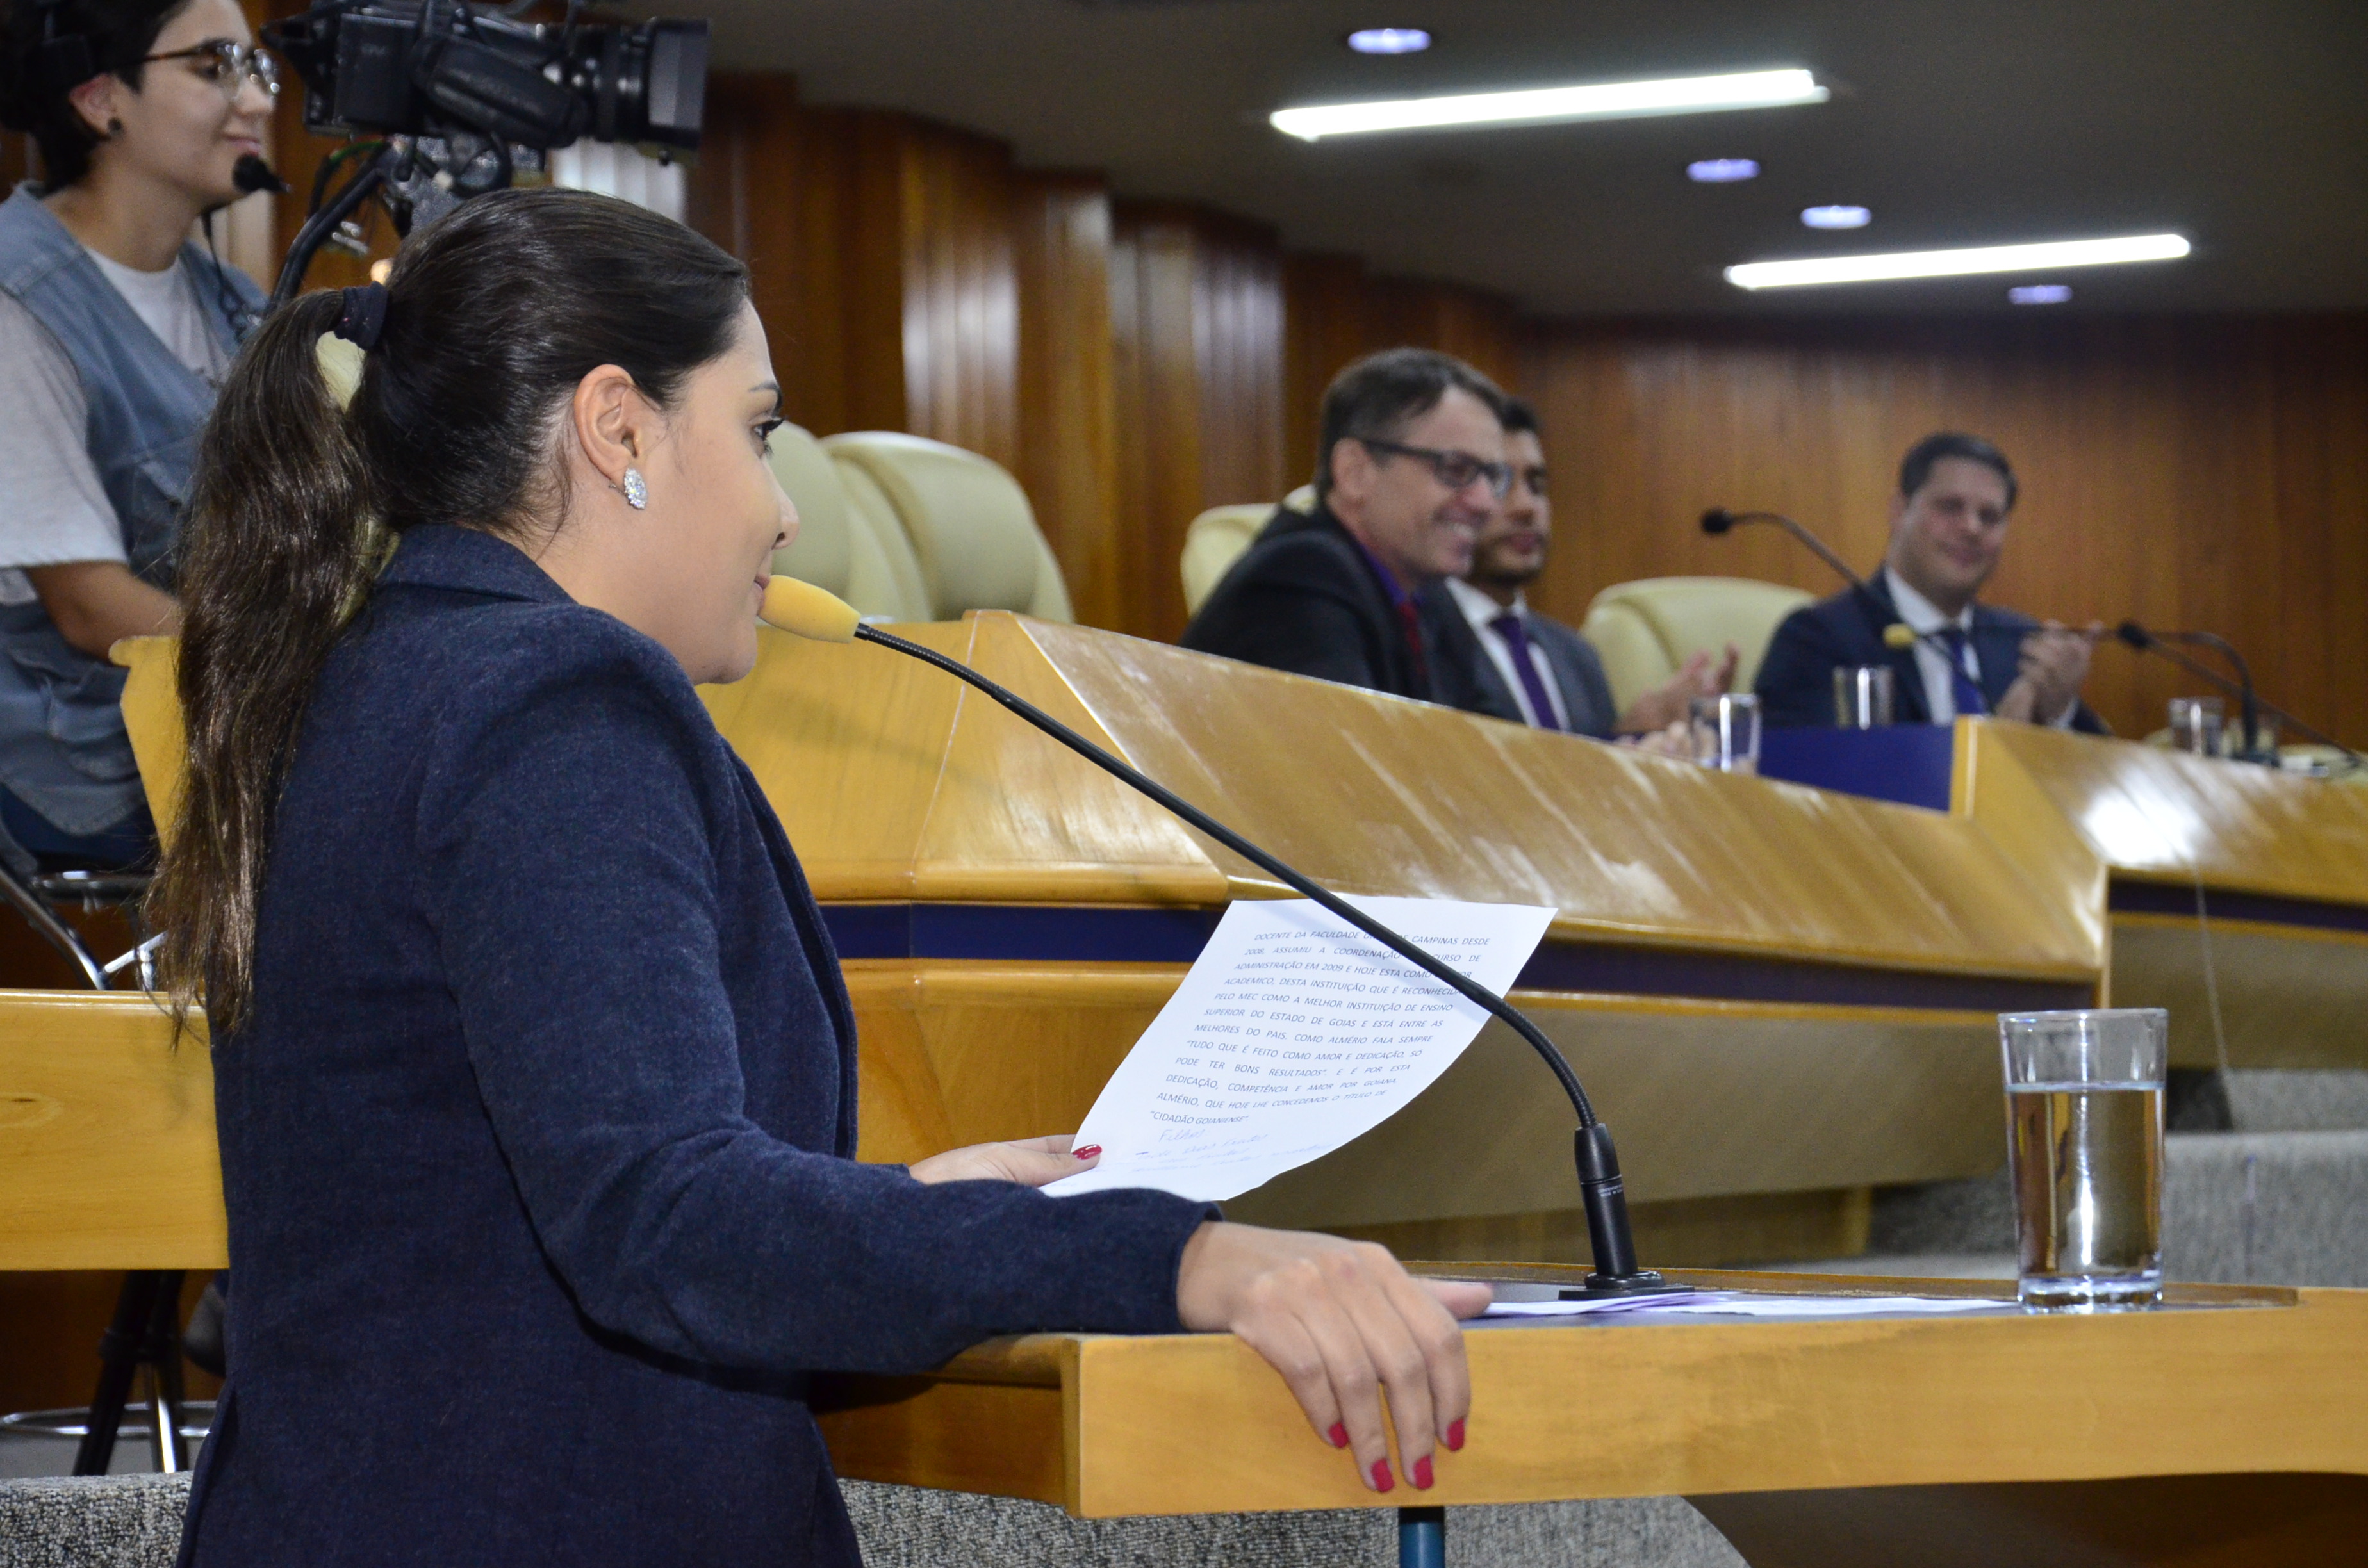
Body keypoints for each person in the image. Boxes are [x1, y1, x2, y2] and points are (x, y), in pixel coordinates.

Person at [148, 189, 1489, 1565]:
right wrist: (1178, 1258)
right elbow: (664, 1220)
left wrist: (911, 1210)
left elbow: (484, 1201)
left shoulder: (369, 672)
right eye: (758, 429)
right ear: (619, 429)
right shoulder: (554, 697)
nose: (786, 512)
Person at [0, 0, 271, 871]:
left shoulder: (231, 299)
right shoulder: (15, 297)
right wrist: (297, 676)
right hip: (83, 753)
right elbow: (88, 607)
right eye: (215, 66)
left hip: (216, 716)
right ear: (99, 99)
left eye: (257, 69)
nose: (258, 100)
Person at [1180, 347, 1504, 706]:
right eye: (1456, 469)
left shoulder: (1433, 600)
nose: (1485, 503)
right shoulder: (1300, 577)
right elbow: (1348, 740)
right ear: (1355, 472)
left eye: (1492, 477)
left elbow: (1494, 733)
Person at [1754, 432, 2107, 733]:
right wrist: (2002, 743)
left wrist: (2057, 713)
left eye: (1989, 516)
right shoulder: (1817, 639)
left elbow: (2104, 774)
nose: (1972, 528)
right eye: (1950, 507)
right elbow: (1803, 774)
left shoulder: (2022, 645)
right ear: (1899, 511)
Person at [1431, 397, 1734, 740]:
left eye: (1537, 485)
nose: (1527, 507)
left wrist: (1637, 733)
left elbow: (1585, 769)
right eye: (1500, 482)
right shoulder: (1422, 640)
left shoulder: (1577, 656)